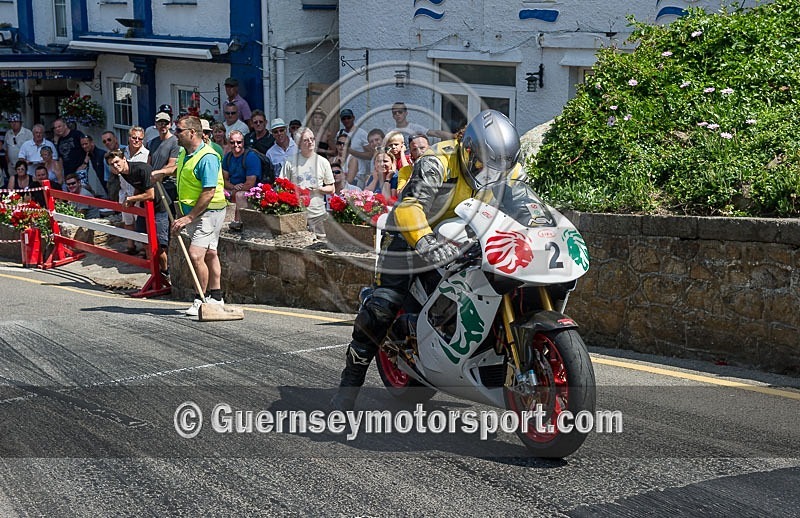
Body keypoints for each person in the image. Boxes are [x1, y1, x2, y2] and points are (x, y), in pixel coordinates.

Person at [330, 109, 523, 411]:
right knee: (382, 307)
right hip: (413, 235)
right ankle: (348, 386)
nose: (491, 172)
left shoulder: (505, 165)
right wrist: (427, 243)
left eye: (500, 165)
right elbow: (409, 208)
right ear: (468, 149)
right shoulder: (438, 162)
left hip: (468, 236)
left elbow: (526, 200)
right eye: (484, 164)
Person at [170, 115, 228, 317]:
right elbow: (179, 169)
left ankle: (200, 299)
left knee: (196, 254)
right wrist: (161, 172)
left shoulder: (208, 157)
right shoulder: (184, 152)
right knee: (211, 253)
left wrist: (189, 217)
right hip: (197, 212)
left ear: (192, 133)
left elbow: (209, 191)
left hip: (208, 211)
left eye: (178, 131)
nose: (174, 134)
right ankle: (217, 297)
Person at [106, 149, 170, 283]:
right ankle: (154, 271)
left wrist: (131, 199)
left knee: (160, 246)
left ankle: (165, 273)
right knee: (144, 240)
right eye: (112, 164)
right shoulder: (123, 173)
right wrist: (134, 200)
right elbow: (138, 186)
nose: (115, 166)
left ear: (124, 159)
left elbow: (151, 195)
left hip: (159, 208)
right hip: (145, 208)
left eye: (117, 162)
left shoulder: (142, 169)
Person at [283, 127, 335, 240]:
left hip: (318, 214)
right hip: (296, 215)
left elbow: (331, 188)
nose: (310, 142)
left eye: (312, 139)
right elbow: (282, 186)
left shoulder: (323, 162)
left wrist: (317, 189)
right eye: (306, 140)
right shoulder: (290, 162)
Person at [222, 129, 260, 231]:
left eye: (238, 142)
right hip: (234, 188)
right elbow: (224, 180)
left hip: (252, 192)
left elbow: (250, 184)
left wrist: (234, 191)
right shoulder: (227, 158)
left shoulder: (251, 157)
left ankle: (239, 222)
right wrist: (233, 187)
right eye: (232, 142)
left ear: (243, 142)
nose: (236, 145)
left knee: (240, 195)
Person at [120, 127, 150, 254]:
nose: (136, 140)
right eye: (134, 137)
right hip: (124, 190)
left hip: (138, 193)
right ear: (129, 137)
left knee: (140, 222)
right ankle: (130, 245)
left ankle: (143, 248)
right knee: (128, 220)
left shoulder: (147, 154)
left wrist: (134, 197)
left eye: (140, 138)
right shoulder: (122, 152)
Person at [148, 111, 180, 215]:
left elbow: (172, 163)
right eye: (160, 123)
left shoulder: (175, 142)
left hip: (168, 185)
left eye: (165, 123)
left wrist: (160, 173)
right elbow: (149, 163)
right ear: (155, 125)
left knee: (167, 216)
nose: (163, 126)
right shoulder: (152, 142)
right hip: (154, 183)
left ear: (170, 124)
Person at [388, 101, 453, 141]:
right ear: (392, 116)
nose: (397, 114)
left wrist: (454, 136)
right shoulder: (391, 131)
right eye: (394, 113)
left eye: (400, 112)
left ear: (406, 113)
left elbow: (435, 133)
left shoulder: (415, 128)